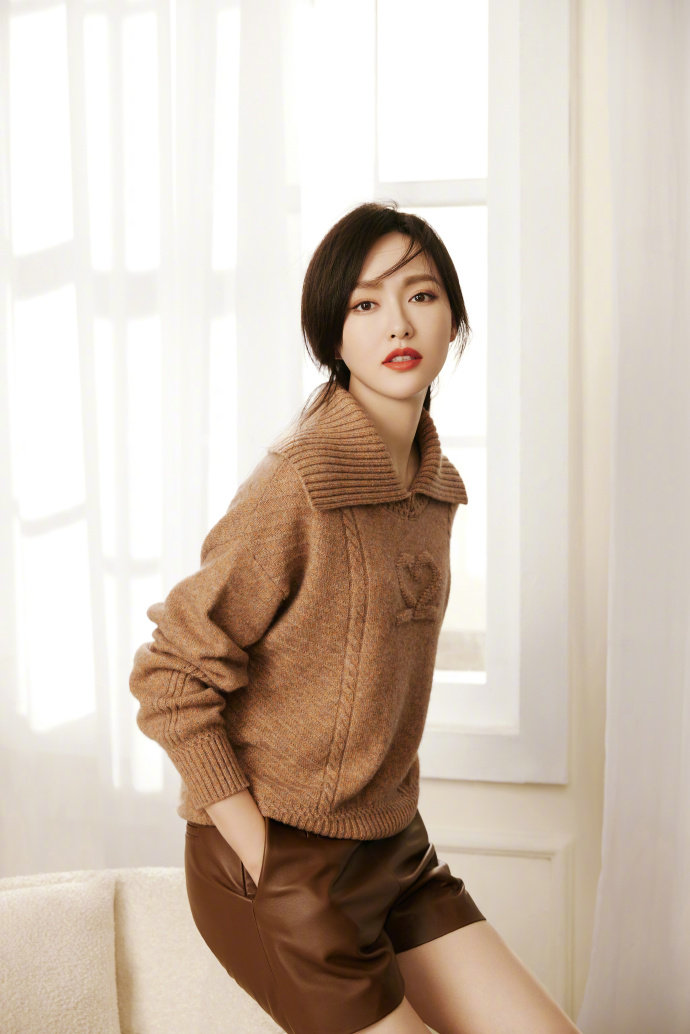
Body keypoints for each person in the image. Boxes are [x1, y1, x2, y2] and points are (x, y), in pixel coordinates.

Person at [129, 201, 582, 1034]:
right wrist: (265, 857)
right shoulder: (299, 482)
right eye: (365, 304)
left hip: (393, 849)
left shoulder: (431, 486)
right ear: (331, 337)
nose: (398, 323)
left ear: (454, 321)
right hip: (281, 861)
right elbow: (169, 676)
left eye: (421, 295)